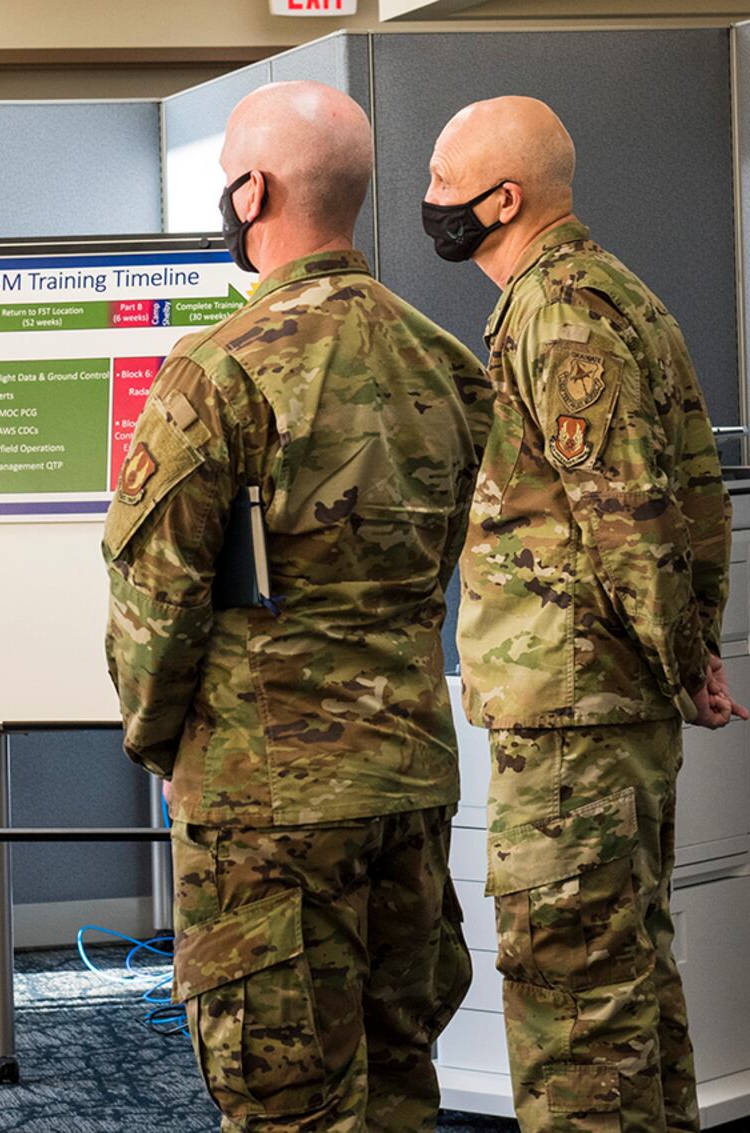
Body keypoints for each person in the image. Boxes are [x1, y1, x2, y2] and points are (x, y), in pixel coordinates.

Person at [104, 81, 492, 1131]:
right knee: (400, 1077)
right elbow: (452, 563)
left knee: (288, 1103)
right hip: (407, 777)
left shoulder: (215, 373)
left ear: (250, 189)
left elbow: (157, 603)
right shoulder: (451, 367)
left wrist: (156, 740)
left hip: (264, 804)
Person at [426, 96, 745, 1133]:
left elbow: (630, 519)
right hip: (608, 708)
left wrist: (683, 659)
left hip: (574, 722)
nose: (429, 201)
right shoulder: (611, 294)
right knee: (628, 990)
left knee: (574, 1013)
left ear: (502, 198)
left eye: (442, 181)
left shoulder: (558, 310)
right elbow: (685, 499)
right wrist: (689, 656)